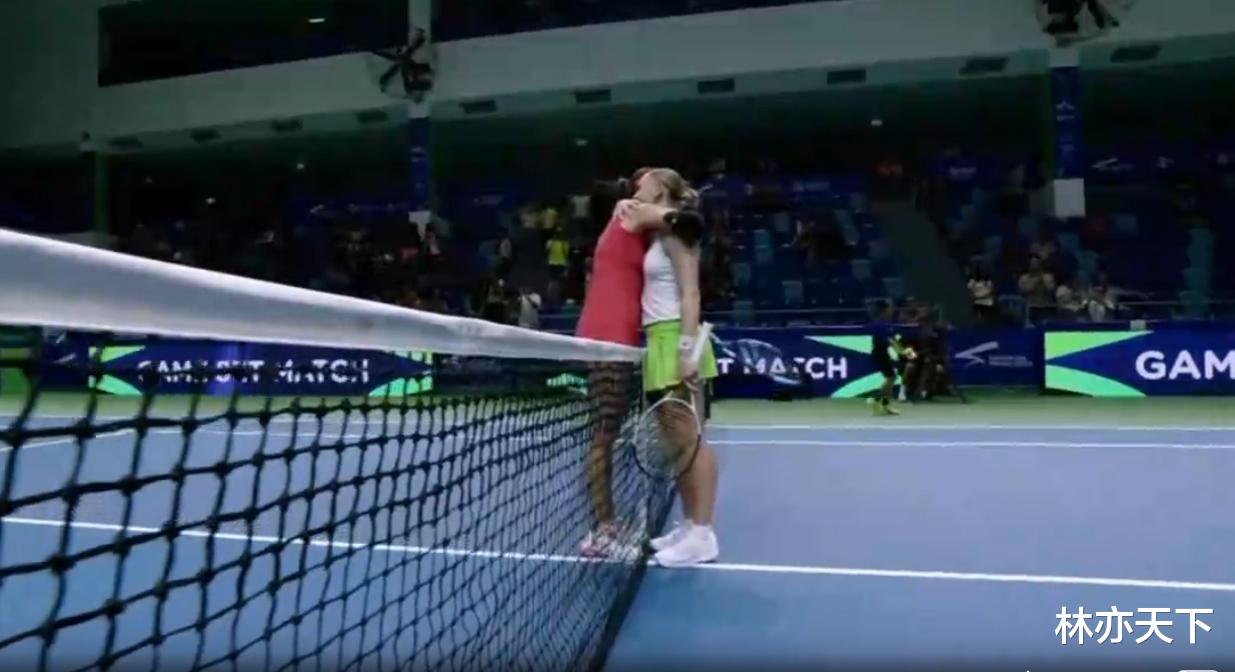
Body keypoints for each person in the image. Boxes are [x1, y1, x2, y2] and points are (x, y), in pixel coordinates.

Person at [620, 168, 721, 568]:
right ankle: (691, 525)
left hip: (677, 337)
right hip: (659, 338)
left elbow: (691, 293)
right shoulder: (661, 231)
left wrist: (686, 349)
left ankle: (703, 535)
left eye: (642, 184)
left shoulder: (677, 233)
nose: (636, 188)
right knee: (678, 443)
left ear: (660, 188)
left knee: (691, 441)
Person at [575, 168, 658, 559]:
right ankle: (601, 530)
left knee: (607, 431)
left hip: (615, 336)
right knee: (604, 435)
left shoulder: (630, 220)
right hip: (606, 335)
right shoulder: (629, 210)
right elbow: (682, 215)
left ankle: (604, 522)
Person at [870, 299, 901, 416]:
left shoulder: (885, 324)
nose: (892, 311)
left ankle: (886, 405)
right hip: (880, 354)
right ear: (884, 311)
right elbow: (888, 340)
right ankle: (876, 399)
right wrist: (900, 351)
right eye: (890, 309)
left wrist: (902, 350)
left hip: (882, 353)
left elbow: (893, 339)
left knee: (891, 378)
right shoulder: (879, 324)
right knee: (891, 377)